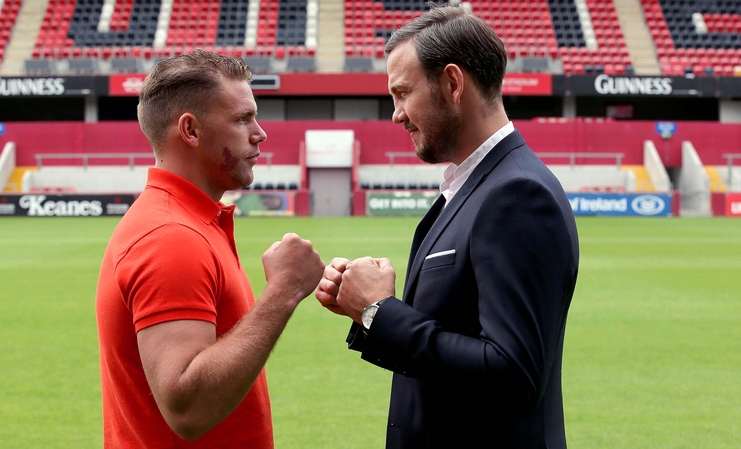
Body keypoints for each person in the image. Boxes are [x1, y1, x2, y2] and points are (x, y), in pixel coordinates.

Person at [316, 5, 579, 449]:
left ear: (453, 83)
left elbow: (512, 375)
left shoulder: (516, 195)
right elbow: (455, 338)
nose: (396, 114)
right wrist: (364, 310)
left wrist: (380, 311)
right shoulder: (475, 184)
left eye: (403, 93)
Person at [96, 50, 324, 448]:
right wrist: (284, 290)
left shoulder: (187, 221)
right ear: (191, 130)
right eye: (242, 118)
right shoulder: (170, 236)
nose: (260, 133)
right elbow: (188, 407)